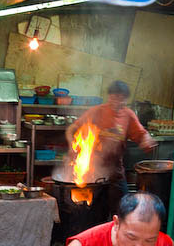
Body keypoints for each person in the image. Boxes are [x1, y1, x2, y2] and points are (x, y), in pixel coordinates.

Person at [66, 80, 157, 216]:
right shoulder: (97, 111)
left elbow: (142, 134)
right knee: (94, 214)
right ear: (109, 97)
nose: (117, 101)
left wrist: (147, 140)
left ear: (126, 99)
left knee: (122, 213)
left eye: (121, 98)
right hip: (94, 174)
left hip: (116, 173)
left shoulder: (128, 115)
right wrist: (71, 146)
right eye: (114, 97)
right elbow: (72, 128)